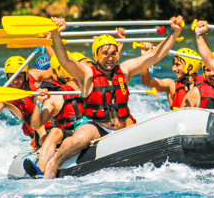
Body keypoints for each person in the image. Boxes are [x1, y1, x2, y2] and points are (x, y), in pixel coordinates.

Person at [43, 16, 184, 179]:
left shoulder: (124, 70)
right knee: (80, 140)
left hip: (122, 126)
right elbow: (64, 60)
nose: (110, 58)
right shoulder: (86, 73)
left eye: (113, 53)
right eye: (105, 54)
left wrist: (175, 32)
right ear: (96, 55)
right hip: (96, 126)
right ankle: (55, 161)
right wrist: (56, 34)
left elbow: (154, 56)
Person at [0, 56, 52, 148]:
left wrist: (44, 85)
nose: (16, 81)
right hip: (39, 135)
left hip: (54, 121)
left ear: (25, 75)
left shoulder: (33, 75)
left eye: (19, 77)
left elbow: (54, 73)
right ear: (7, 76)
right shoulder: (5, 98)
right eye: (12, 77)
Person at [26, 53, 84, 176]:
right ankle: (41, 170)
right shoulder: (54, 94)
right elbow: (36, 125)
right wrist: (38, 103)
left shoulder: (91, 85)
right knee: (55, 132)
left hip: (90, 129)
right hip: (69, 133)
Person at [140, 45, 204, 110]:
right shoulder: (171, 85)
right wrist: (145, 57)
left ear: (190, 67)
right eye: (174, 65)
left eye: (177, 65)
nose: (173, 69)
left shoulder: (205, 83)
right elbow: (146, 81)